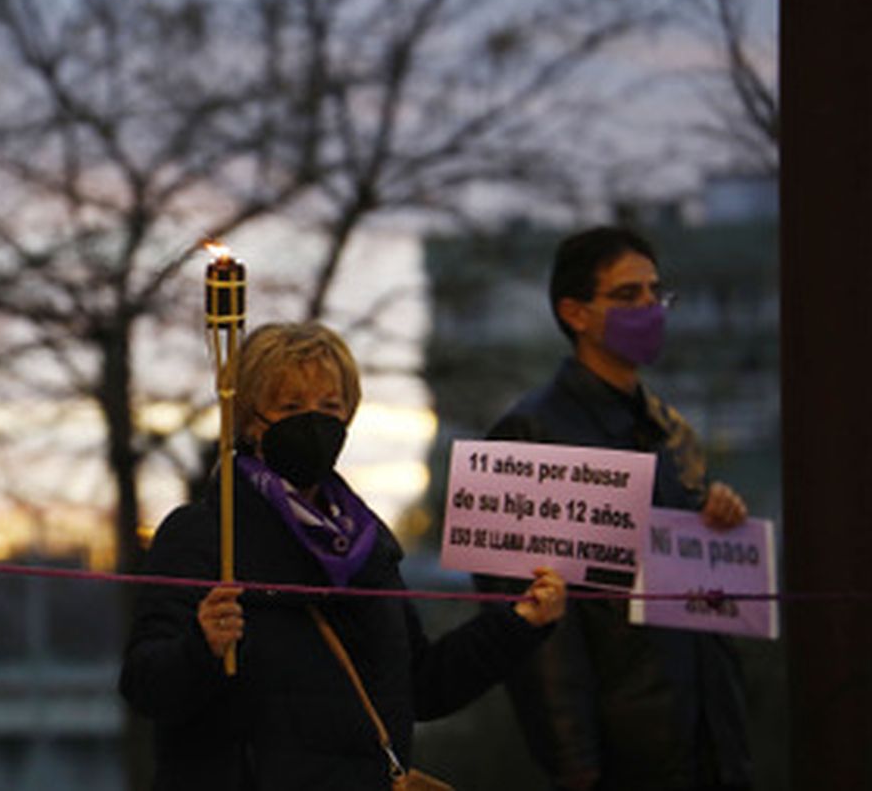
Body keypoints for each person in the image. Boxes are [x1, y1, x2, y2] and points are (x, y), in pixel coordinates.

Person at [120, 321, 567, 791]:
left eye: (330, 406)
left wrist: (518, 624)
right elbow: (145, 686)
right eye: (290, 407)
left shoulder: (366, 543)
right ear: (250, 422)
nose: (313, 422)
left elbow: (420, 686)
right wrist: (200, 646)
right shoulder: (203, 535)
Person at [479, 225, 753, 790]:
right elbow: (532, 627)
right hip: (621, 755)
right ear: (575, 314)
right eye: (628, 296)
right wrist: (575, 764)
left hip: (708, 746)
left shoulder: (672, 432)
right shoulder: (532, 434)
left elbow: (700, 598)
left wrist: (719, 524)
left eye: (657, 294)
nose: (650, 308)